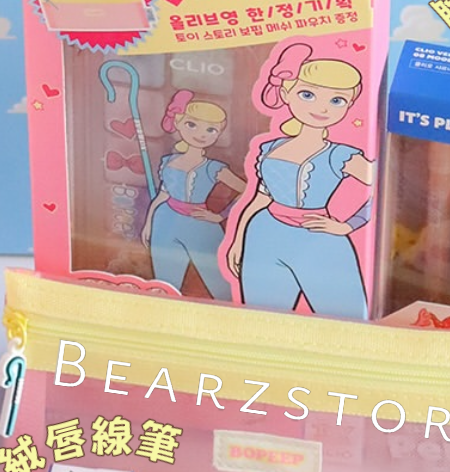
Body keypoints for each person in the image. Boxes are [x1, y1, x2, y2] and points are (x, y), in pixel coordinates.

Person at [225, 43, 373, 317]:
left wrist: (348, 225)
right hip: (263, 235)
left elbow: (385, 192)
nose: (322, 108)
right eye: (307, 94)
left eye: (337, 100)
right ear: (286, 93)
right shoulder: (270, 148)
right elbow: (259, 199)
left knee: (346, 321)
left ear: (350, 104)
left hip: (320, 239)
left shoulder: (340, 155)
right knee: (259, 320)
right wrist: (238, 240)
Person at [140, 90, 245, 298]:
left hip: (201, 224)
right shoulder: (169, 162)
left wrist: (220, 216)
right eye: (192, 124)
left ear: (218, 133)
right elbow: (162, 195)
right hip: (165, 221)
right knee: (166, 284)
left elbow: (246, 191)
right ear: (179, 123)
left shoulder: (214, 167)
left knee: (222, 286)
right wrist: (148, 223)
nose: (201, 134)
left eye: (211, 129)